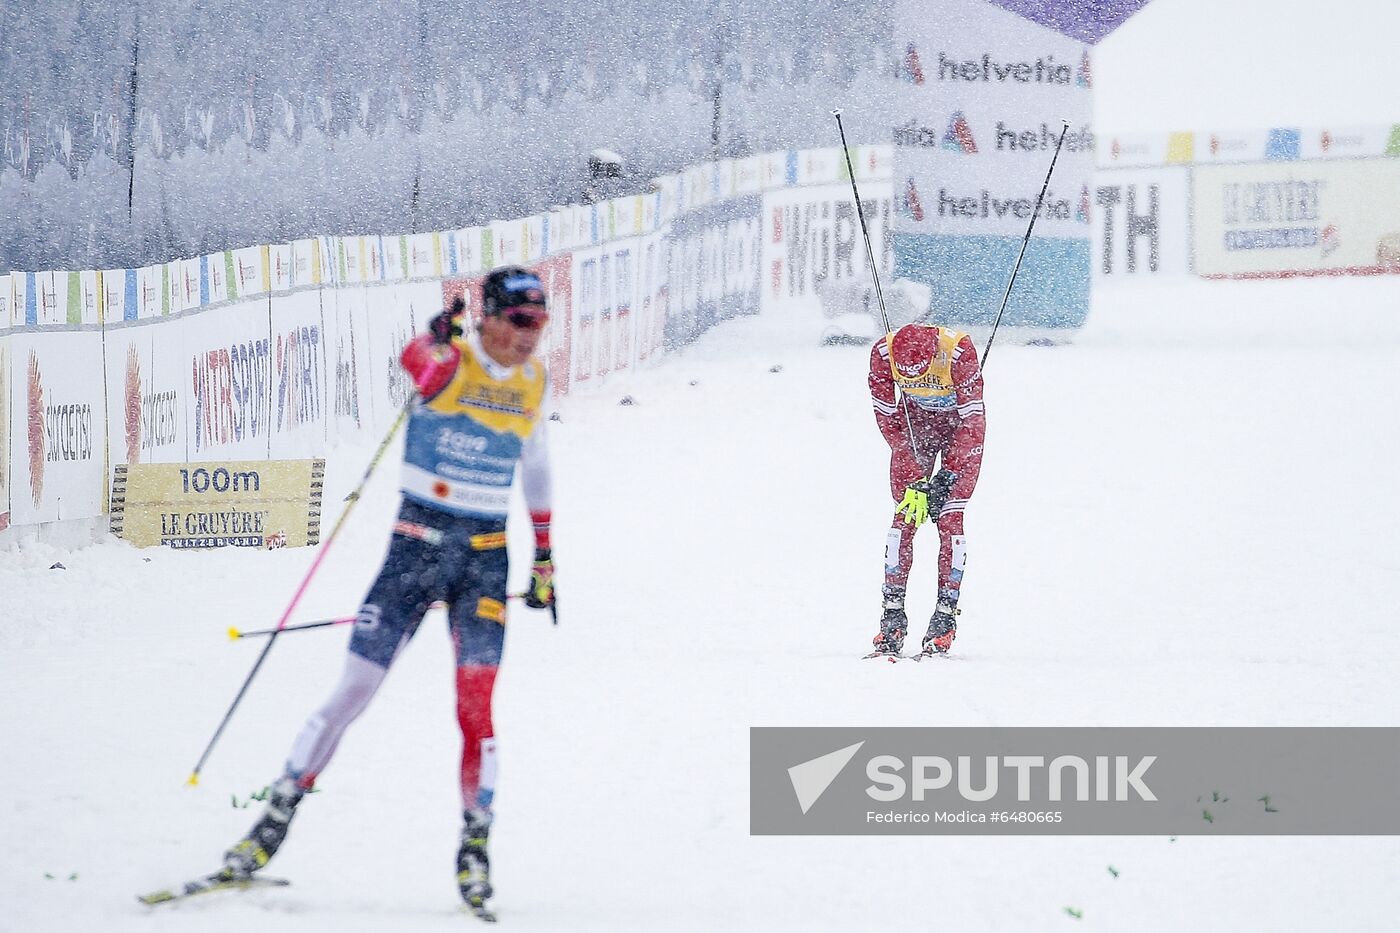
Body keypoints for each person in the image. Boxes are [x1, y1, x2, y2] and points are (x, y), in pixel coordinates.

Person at [221, 265, 559, 917]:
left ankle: (475, 844)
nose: (530, 337)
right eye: (519, 322)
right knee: (352, 691)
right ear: (486, 317)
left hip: (485, 558)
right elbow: (418, 360)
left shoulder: (534, 381)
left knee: (475, 708)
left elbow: (538, 465)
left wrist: (545, 555)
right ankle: (274, 816)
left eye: (540, 324)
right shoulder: (448, 363)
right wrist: (434, 337)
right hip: (415, 549)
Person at [868, 321, 985, 657]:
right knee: (904, 518)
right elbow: (888, 419)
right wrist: (915, 478)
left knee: (949, 519)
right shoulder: (882, 353)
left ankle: (944, 619)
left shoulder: (959, 351)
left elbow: (973, 421)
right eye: (910, 378)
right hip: (915, 430)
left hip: (959, 431)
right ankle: (892, 617)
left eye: (922, 374)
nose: (917, 381)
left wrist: (947, 474)